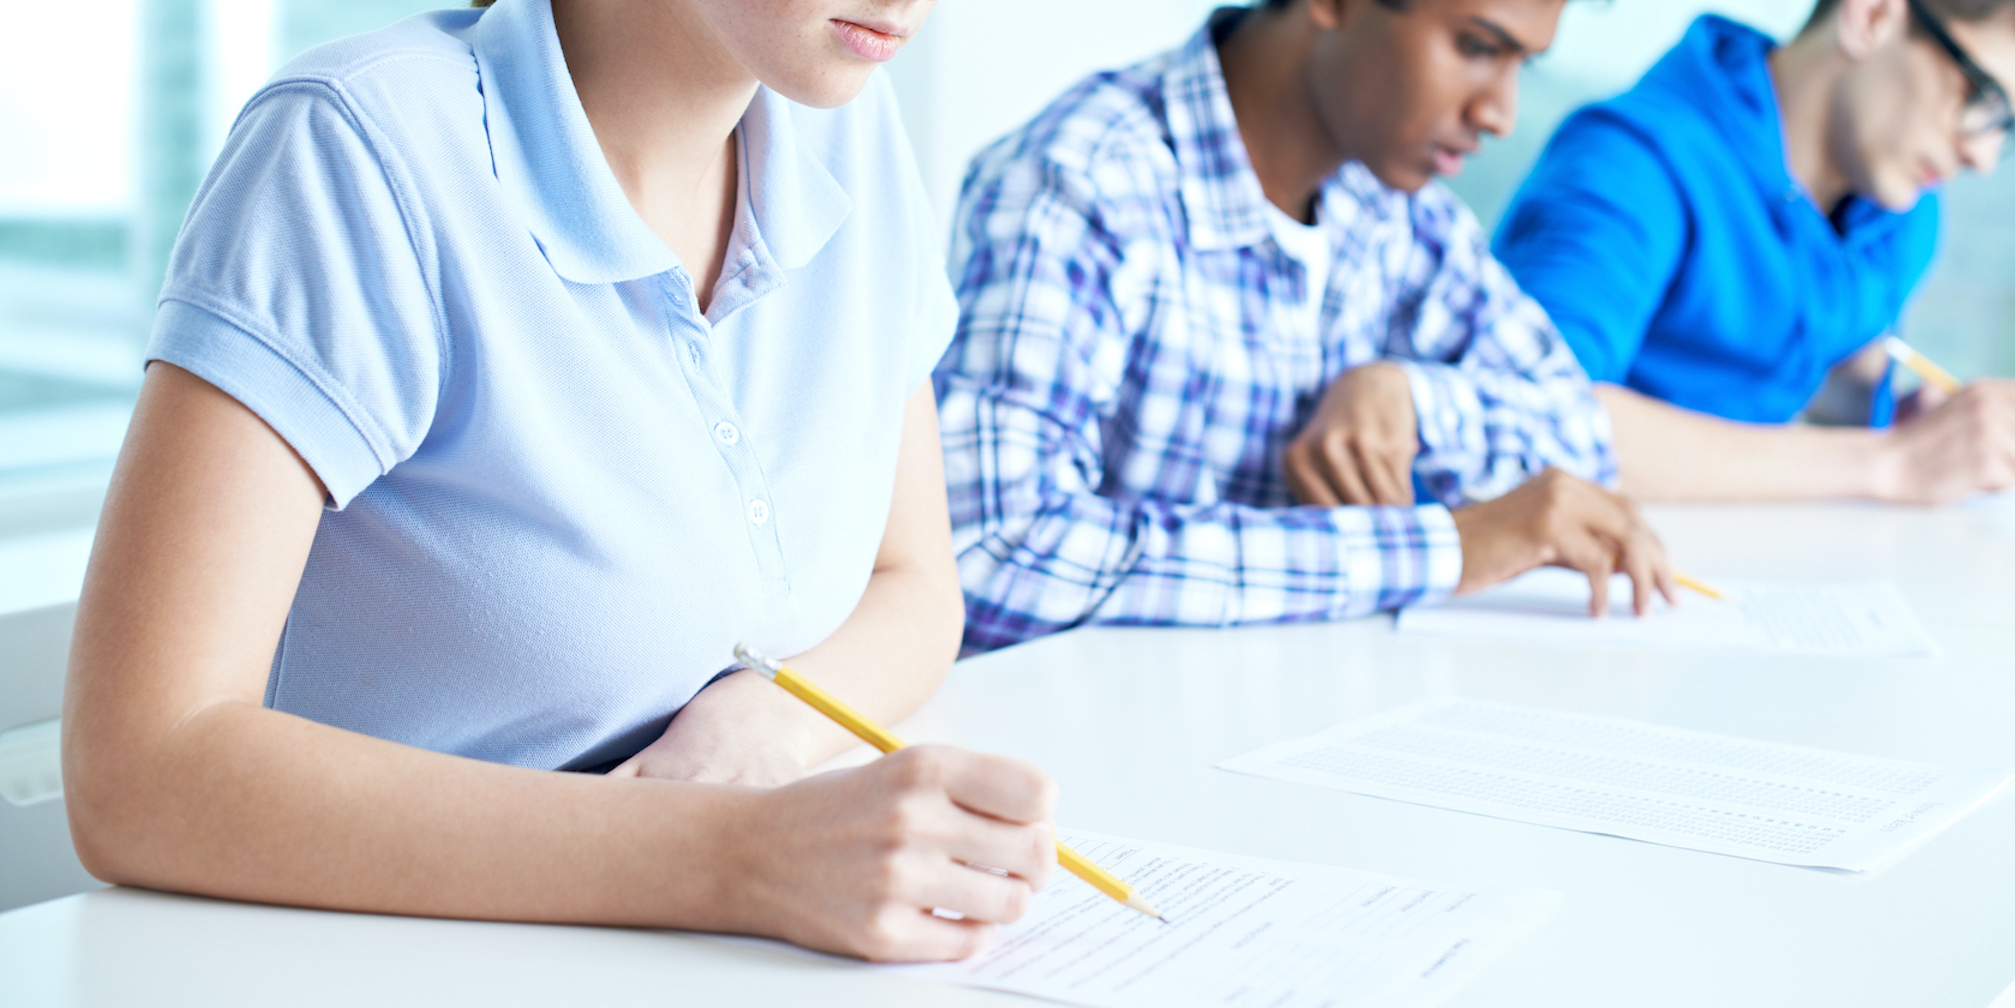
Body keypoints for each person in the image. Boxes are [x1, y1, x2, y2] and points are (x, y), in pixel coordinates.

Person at [63, 0, 1058, 963]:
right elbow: (140, 773)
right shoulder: (356, 148)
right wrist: (735, 856)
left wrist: (756, 728)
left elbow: (916, 586)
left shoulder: (842, 120)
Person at [934, 0, 1676, 655]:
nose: (1499, 113)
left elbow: (1578, 436)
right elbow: (997, 552)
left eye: (1523, 65)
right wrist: (1439, 549)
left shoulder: (1394, 204)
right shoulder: (1080, 182)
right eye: (1476, 47)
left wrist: (1409, 397)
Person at [1493, 0, 2015, 503]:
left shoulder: (1902, 204)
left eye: (2007, 127)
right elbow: (1529, 419)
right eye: (1981, 97)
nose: (1984, 156)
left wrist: (1906, 424)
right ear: (1872, 15)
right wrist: (1887, 462)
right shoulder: (1629, 165)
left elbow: (1814, 368)